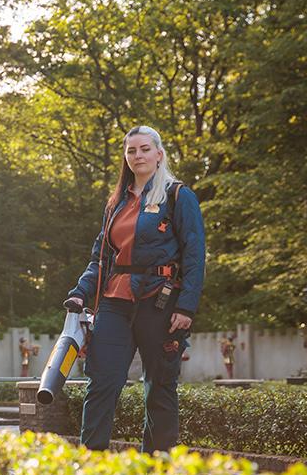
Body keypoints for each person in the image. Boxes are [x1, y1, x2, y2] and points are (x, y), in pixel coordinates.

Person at [65, 125, 205, 454]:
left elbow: (195, 254)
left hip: (160, 302)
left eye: (144, 149)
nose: (137, 155)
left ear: (159, 154)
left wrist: (186, 307)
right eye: (131, 151)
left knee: (160, 386)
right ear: (126, 158)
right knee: (102, 382)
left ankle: (156, 466)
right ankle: (92, 462)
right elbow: (101, 258)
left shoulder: (178, 196)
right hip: (114, 302)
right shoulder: (116, 203)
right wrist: (80, 291)